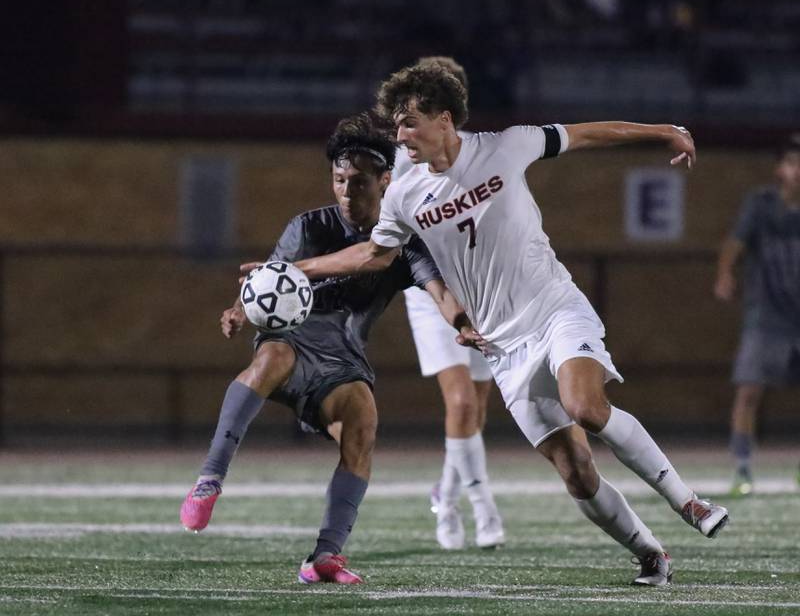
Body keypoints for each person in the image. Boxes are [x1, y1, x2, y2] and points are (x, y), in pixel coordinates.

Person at [294, 62, 729, 586]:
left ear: (445, 119)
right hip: (503, 348)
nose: (401, 136)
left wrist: (662, 130)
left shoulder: (505, 146)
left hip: (555, 311)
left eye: (410, 123)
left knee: (586, 407)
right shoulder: (405, 194)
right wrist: (297, 269)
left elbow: (587, 133)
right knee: (577, 473)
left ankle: (690, 503)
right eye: (396, 125)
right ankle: (649, 553)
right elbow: (372, 254)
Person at [180, 113, 464, 585]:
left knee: (363, 420)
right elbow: (265, 282)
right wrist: (237, 311)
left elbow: (440, 292)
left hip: (342, 361)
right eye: (338, 180)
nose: (347, 192)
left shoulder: (404, 241)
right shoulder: (309, 227)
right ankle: (210, 477)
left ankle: (325, 556)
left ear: (385, 180)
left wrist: (462, 324)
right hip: (292, 340)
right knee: (272, 358)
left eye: (358, 182)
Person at [396, 56, 504, 550]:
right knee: (460, 402)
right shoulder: (407, 153)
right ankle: (480, 512)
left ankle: (446, 491)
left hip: (479, 290)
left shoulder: (476, 152)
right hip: (433, 291)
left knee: (476, 411)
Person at [714, 134, 800, 496]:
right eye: (793, 162)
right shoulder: (761, 205)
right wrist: (725, 274)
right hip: (766, 314)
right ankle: (743, 468)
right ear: (780, 168)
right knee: (748, 390)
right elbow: (735, 243)